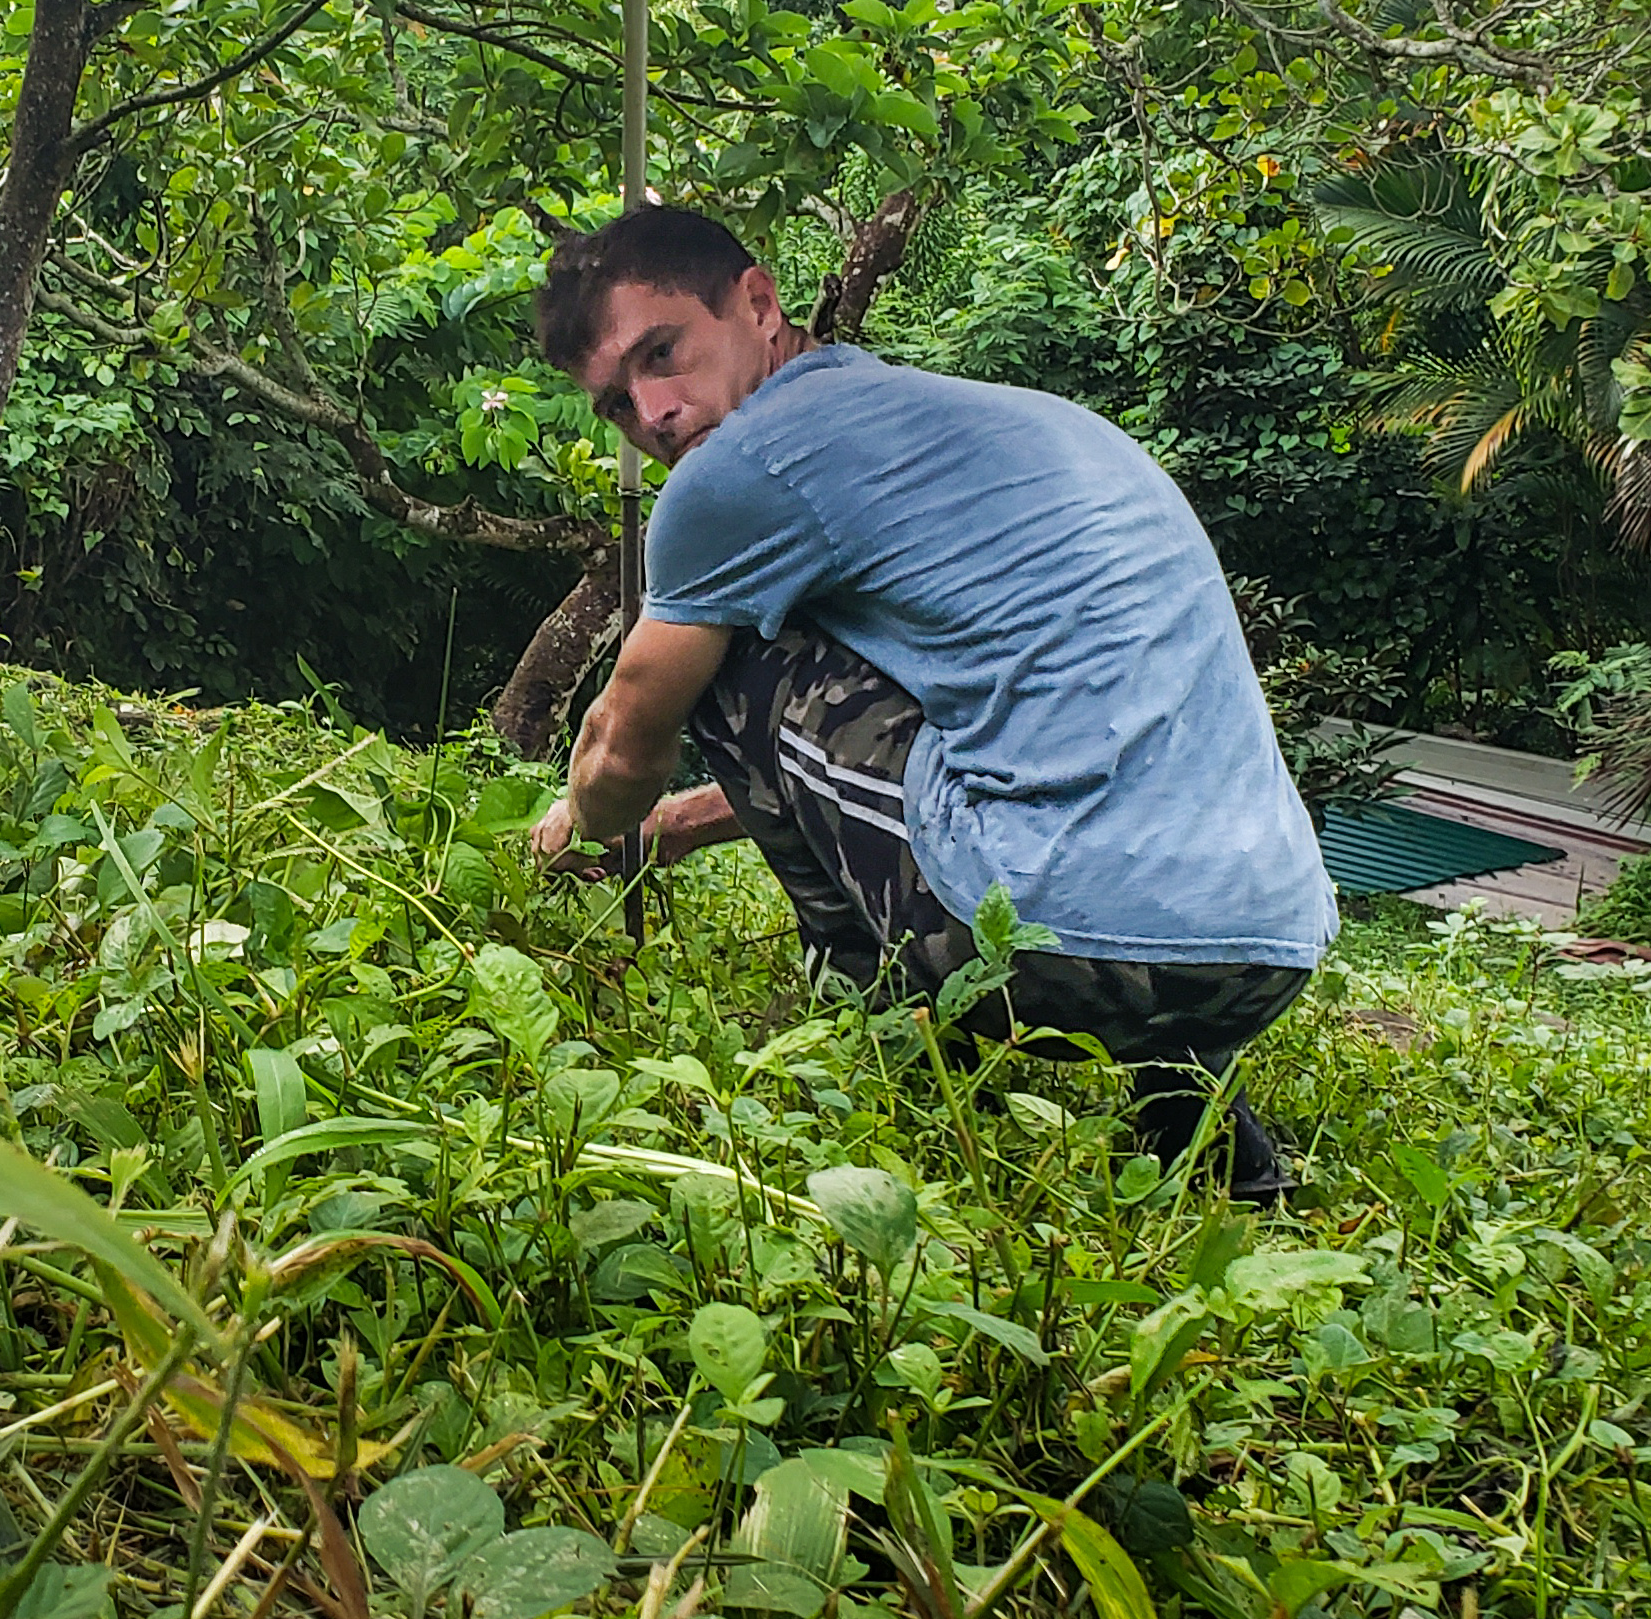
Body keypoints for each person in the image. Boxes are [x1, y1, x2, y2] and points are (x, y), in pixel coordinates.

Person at [525, 205, 1332, 1199]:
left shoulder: (735, 474)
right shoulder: (983, 426)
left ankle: (877, 1042)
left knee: (728, 663)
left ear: (759, 301)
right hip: (1266, 949)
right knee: (1060, 749)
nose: (652, 411)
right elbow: (1001, 727)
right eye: (615, 402)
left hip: (1057, 959)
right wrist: (687, 820)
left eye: (663, 352)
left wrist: (580, 829)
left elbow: (620, 747)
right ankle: (1198, 1127)